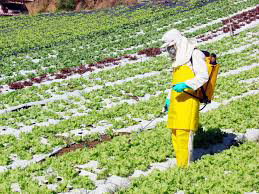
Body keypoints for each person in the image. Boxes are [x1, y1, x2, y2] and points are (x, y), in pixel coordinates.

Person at [161, 29, 209, 168]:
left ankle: (185, 167)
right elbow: (174, 83)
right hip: (176, 101)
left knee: (184, 134)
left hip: (188, 100)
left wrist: (186, 84)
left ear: (178, 43)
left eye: (171, 47)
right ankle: (179, 165)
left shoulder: (194, 54)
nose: (170, 50)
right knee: (175, 133)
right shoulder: (178, 60)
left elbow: (203, 76)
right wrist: (168, 99)